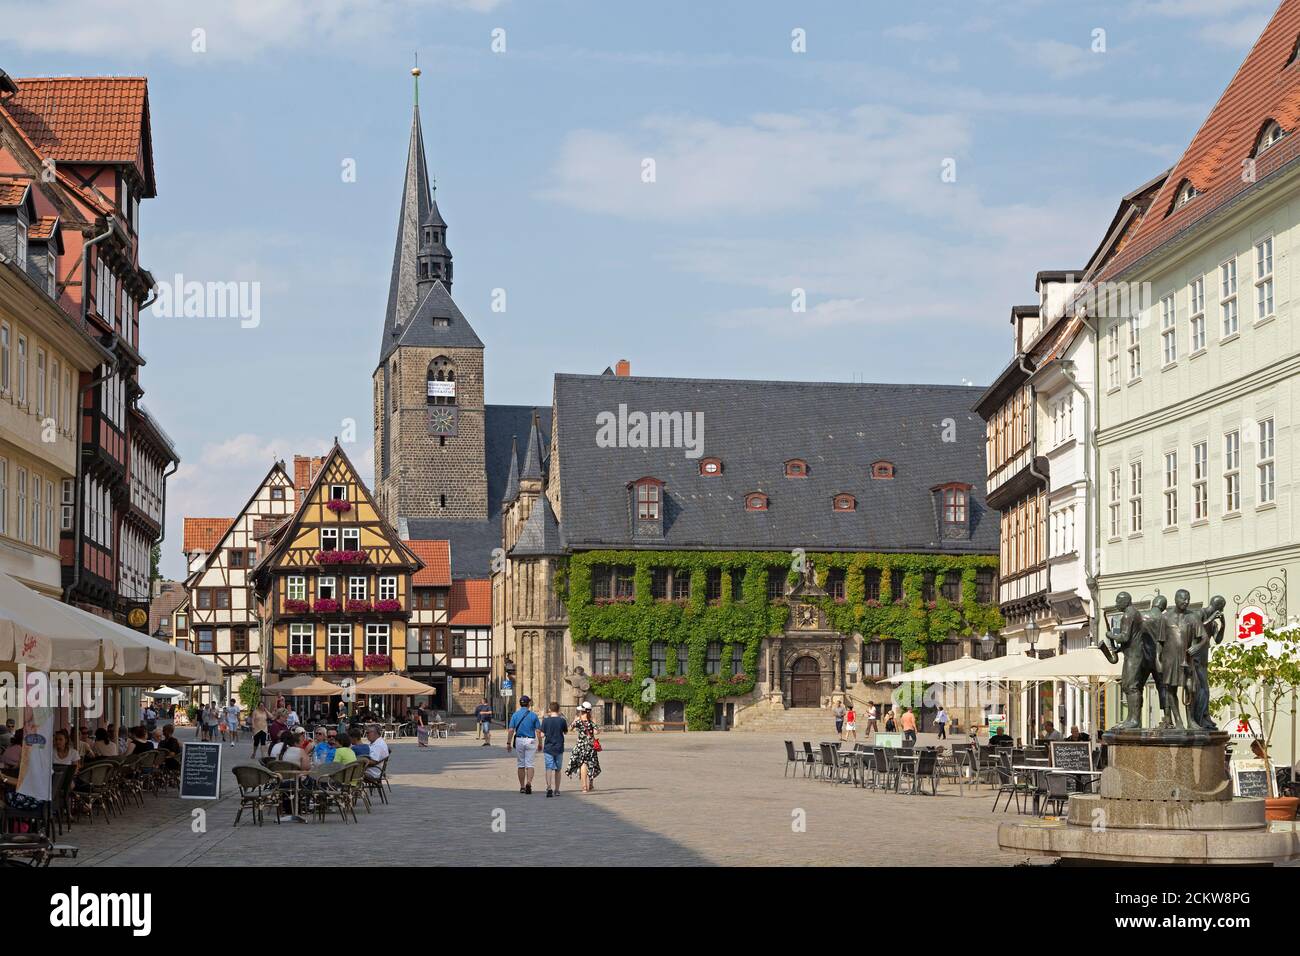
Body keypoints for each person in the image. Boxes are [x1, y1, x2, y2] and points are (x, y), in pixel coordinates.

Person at [506, 695, 543, 795]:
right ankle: (529, 783)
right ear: (529, 704)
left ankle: (522, 786)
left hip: (519, 740)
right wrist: (540, 743)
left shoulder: (515, 715)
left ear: (520, 703)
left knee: (521, 764)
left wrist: (508, 742)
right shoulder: (533, 715)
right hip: (530, 740)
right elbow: (538, 731)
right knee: (530, 764)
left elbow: (511, 730)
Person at [565, 702, 601, 792]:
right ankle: (591, 784)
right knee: (591, 764)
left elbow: (570, 729)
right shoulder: (591, 721)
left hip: (581, 746)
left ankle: (584, 786)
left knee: (583, 764)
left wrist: (574, 721)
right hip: (591, 746)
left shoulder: (579, 721)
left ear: (582, 710)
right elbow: (597, 732)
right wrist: (594, 725)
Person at [540, 701, 569, 798]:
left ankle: (549, 787)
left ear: (549, 709)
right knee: (558, 769)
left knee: (548, 768)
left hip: (548, 747)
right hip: (559, 747)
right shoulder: (562, 720)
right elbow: (566, 732)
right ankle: (557, 789)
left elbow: (542, 734)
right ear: (558, 709)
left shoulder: (545, 721)